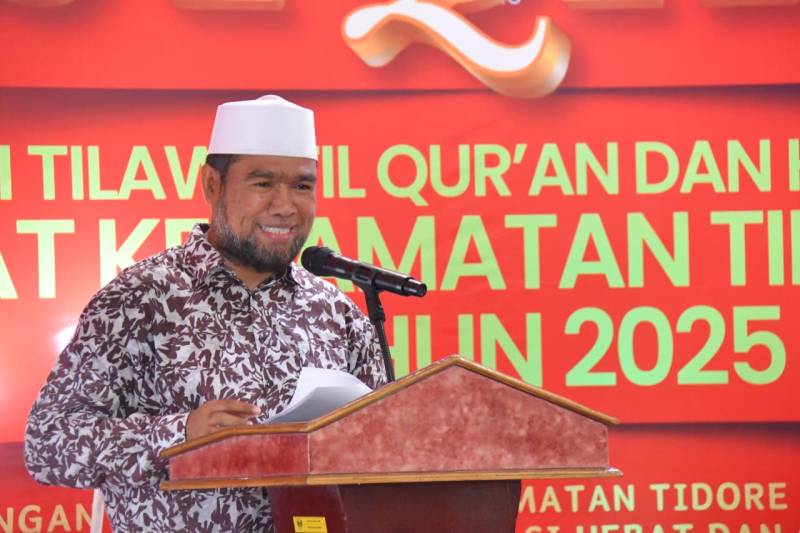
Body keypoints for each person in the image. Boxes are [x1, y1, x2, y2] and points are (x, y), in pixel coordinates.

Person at [24, 95, 387, 532]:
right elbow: (47, 445)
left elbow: (385, 447)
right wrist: (181, 434)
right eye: (262, 183)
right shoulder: (140, 300)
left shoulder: (336, 313)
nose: (285, 206)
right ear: (212, 185)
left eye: (302, 186)